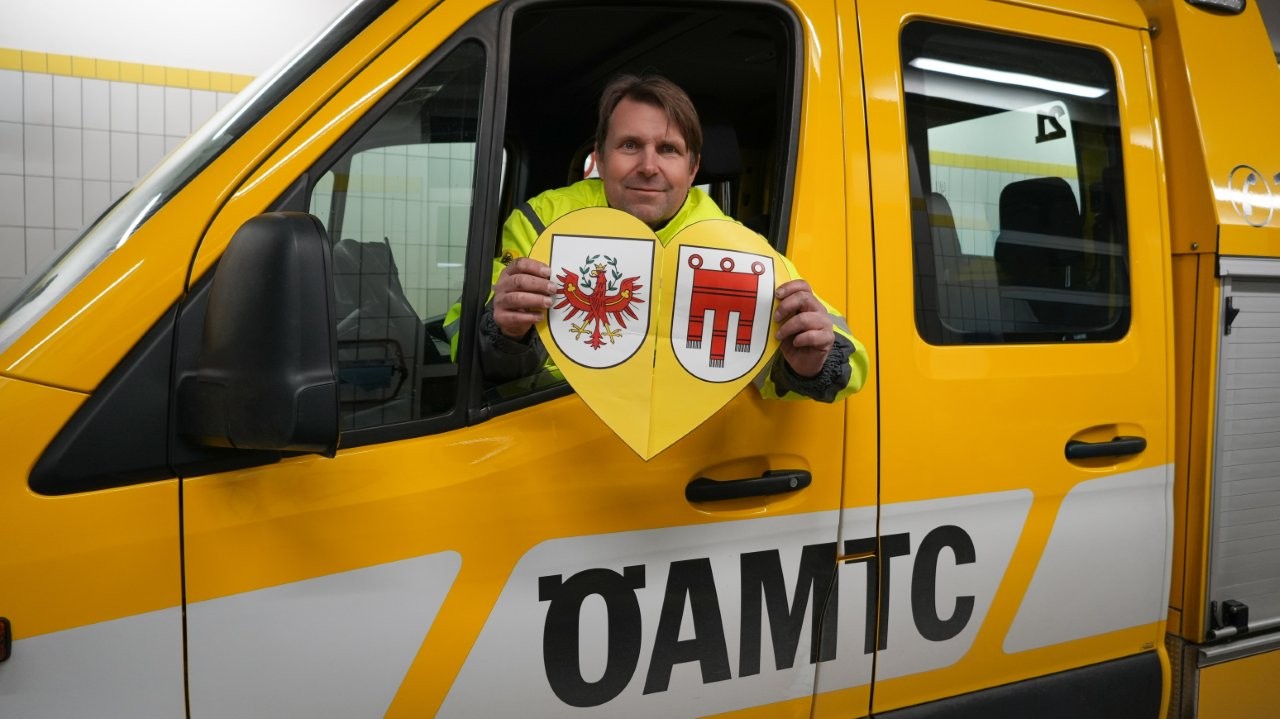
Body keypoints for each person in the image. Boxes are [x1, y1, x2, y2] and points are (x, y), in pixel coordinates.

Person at [446, 74, 867, 402]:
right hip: (542, 456)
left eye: (668, 149)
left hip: (679, 473)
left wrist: (812, 364)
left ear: (693, 167)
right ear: (601, 155)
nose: (649, 166)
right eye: (630, 145)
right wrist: (503, 332)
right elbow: (464, 342)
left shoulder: (736, 251)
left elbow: (846, 359)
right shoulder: (541, 224)